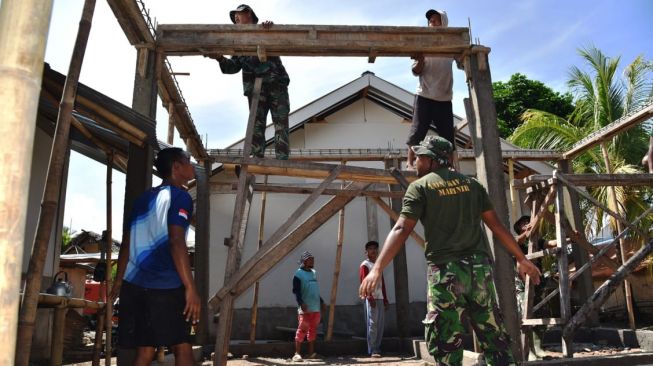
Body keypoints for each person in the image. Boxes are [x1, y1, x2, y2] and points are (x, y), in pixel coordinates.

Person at [359, 136, 541, 366]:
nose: (415, 162)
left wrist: (377, 269)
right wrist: (521, 258)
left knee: (445, 339)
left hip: (445, 272)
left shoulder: (420, 187)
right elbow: (496, 226)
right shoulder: (472, 185)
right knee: (493, 337)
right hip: (479, 272)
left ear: (432, 160)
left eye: (419, 158)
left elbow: (402, 228)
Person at [111, 147, 200, 366]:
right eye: (188, 161)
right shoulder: (180, 197)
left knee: (145, 350)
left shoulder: (142, 199)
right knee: (182, 346)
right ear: (176, 167)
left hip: (134, 286)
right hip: (165, 287)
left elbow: (126, 244)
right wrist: (190, 287)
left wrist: (117, 283)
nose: (192, 165)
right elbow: (176, 241)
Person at [205, 4, 290, 160]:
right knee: (256, 126)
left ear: (249, 13)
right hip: (256, 89)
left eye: (238, 14)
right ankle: (257, 157)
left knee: (280, 123)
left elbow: (281, 40)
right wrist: (219, 58)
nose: (235, 18)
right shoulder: (238, 44)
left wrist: (270, 30)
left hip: (275, 83)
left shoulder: (265, 30)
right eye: (234, 17)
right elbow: (233, 67)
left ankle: (282, 159)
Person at [406, 9, 457, 170]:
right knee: (417, 132)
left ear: (444, 22)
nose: (432, 23)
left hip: (444, 97)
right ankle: (409, 163)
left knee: (448, 135)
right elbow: (416, 71)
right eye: (430, 21)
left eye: (436, 20)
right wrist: (420, 59)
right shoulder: (423, 43)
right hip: (425, 94)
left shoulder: (452, 43)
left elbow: (462, 62)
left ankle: (450, 165)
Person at [292, 251, 326, 362]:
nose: (312, 261)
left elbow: (315, 290)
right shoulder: (298, 274)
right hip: (305, 308)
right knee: (302, 329)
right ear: (304, 261)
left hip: (315, 307)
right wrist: (301, 303)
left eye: (313, 259)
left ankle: (311, 353)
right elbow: (296, 291)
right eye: (310, 259)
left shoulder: (313, 273)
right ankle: (297, 353)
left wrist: (321, 302)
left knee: (312, 330)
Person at [359, 241, 389, 358]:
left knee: (380, 324)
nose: (373, 251)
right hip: (371, 298)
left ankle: (378, 347)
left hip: (380, 297)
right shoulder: (365, 265)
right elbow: (363, 282)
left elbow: (382, 283)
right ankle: (372, 349)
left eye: (375, 248)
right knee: (372, 324)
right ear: (366, 252)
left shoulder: (378, 265)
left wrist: (385, 299)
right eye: (370, 249)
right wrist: (369, 296)